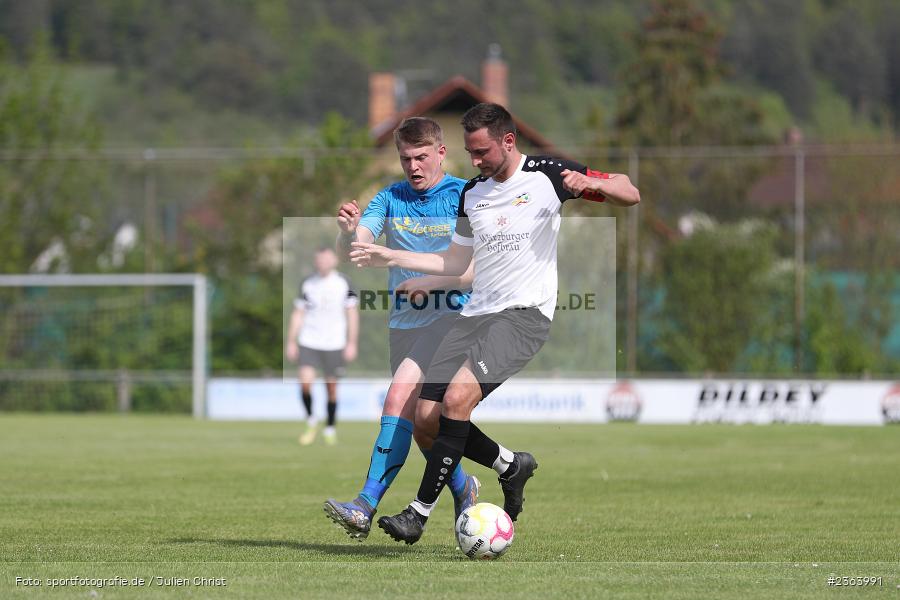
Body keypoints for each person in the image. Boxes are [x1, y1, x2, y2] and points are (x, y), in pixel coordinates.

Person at [350, 102, 640, 544]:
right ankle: (510, 465)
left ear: (508, 141)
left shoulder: (548, 174)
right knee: (426, 417)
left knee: (456, 400)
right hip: (473, 315)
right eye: (470, 153)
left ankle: (417, 513)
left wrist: (589, 183)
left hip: (524, 316)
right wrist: (391, 256)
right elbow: (456, 261)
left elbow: (628, 191)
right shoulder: (472, 193)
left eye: (482, 152)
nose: (477, 161)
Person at [322, 117, 480, 540]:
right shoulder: (390, 197)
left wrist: (427, 279)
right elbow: (356, 248)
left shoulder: (464, 194)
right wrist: (348, 232)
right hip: (404, 325)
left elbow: (471, 272)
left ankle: (364, 504)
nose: (413, 166)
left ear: (441, 152)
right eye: (405, 158)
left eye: (421, 157)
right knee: (425, 426)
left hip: (453, 319)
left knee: (396, 397)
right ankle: (465, 487)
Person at [285, 247, 359, 446]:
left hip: (335, 342)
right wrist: (291, 341)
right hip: (309, 340)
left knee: (332, 389)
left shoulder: (344, 283)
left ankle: (330, 428)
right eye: (319, 259)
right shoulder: (307, 283)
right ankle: (311, 421)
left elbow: (352, 314)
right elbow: (298, 313)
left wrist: (351, 343)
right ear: (315, 261)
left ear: (334, 260)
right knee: (305, 383)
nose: (322, 263)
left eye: (326, 259)